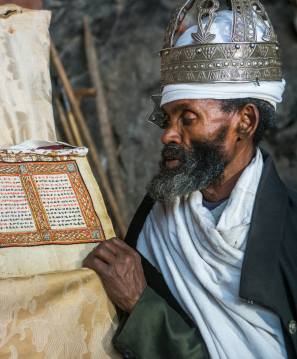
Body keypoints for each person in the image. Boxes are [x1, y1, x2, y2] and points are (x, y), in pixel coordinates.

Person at [83, 3, 297, 359]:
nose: (168, 134)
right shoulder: (158, 213)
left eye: (187, 118)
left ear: (244, 122)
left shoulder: (290, 232)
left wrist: (141, 305)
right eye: (167, 118)